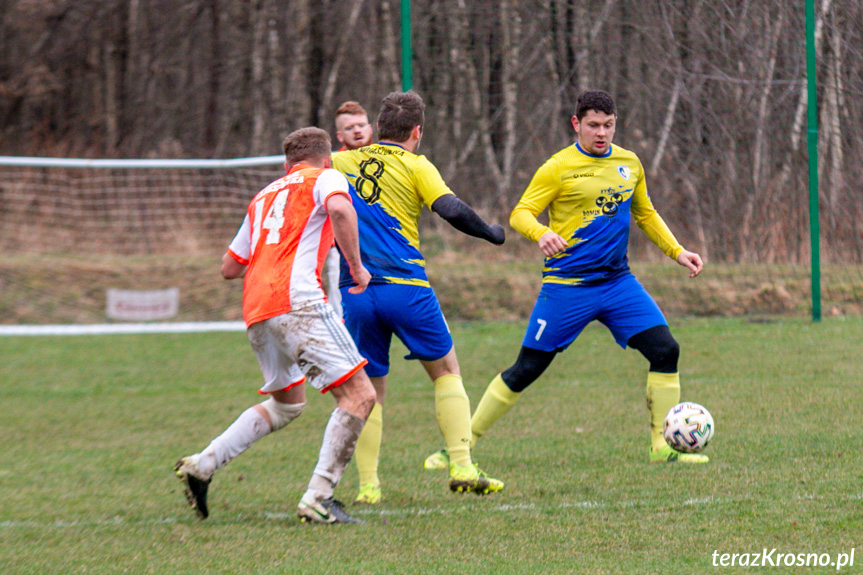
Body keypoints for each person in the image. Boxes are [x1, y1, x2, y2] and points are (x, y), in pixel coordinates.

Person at [423, 90, 709, 472]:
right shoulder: (558, 167)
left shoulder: (629, 162)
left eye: (608, 125)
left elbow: (645, 213)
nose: (602, 133)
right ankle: (460, 447)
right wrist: (541, 233)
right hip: (566, 288)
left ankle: (661, 445)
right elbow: (520, 213)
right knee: (525, 370)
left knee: (666, 350)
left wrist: (678, 251)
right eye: (593, 125)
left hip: (617, 283)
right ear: (576, 124)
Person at [174, 127, 377, 525]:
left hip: (257, 310)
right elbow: (339, 209)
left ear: (287, 165)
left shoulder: (264, 195)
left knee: (288, 406)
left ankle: (203, 464)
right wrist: (356, 265)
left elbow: (229, 267)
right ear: (328, 157)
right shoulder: (327, 176)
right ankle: (319, 497)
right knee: (359, 395)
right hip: (297, 302)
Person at [332, 90, 507, 504]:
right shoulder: (416, 164)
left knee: (368, 390)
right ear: (417, 132)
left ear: (377, 127)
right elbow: (450, 208)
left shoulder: (339, 163)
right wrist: (491, 232)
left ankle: (368, 487)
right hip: (406, 289)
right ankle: (462, 465)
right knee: (446, 371)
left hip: (355, 292)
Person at [325, 101, 375, 318]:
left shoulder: (386, 160)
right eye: (349, 128)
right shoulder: (331, 165)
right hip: (342, 249)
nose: (357, 130)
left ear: (370, 128)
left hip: (381, 246)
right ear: (339, 136)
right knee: (345, 308)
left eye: (361, 125)